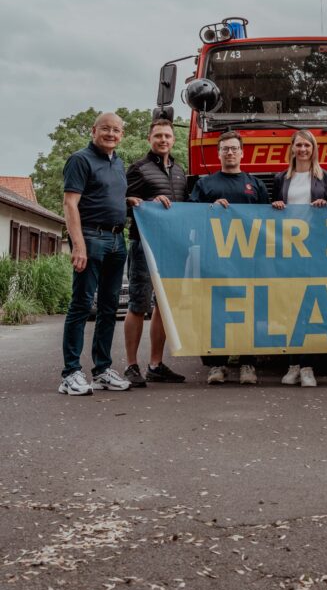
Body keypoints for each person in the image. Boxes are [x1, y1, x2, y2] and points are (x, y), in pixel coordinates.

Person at [59, 113, 132, 395]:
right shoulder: (80, 160)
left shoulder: (119, 163)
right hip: (90, 237)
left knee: (109, 308)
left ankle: (102, 370)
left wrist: (129, 201)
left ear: (121, 135)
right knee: (81, 305)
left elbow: (110, 196)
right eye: (106, 129)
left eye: (116, 130)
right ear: (93, 130)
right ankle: (70, 374)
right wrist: (78, 245)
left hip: (117, 240)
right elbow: (70, 204)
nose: (111, 134)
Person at [189, 131, 270, 385]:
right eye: (225, 149)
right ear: (219, 153)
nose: (230, 152)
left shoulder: (255, 184)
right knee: (216, 309)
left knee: (250, 308)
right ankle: (217, 364)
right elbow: (190, 217)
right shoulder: (205, 184)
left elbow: (267, 220)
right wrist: (209, 208)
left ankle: (248, 363)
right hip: (215, 256)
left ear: (242, 153)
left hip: (249, 257)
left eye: (234, 148)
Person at [123, 119, 188, 387]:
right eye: (158, 135)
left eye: (167, 136)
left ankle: (155, 365)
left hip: (171, 246)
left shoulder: (180, 171)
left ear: (174, 140)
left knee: (164, 305)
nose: (163, 140)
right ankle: (131, 365)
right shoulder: (138, 168)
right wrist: (147, 203)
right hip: (144, 244)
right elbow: (123, 204)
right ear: (149, 139)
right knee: (138, 304)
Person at [273, 129, 327, 387]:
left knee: (310, 306)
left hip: (315, 250)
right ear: (292, 148)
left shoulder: (325, 177)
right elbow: (271, 212)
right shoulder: (281, 178)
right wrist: (276, 206)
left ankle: (308, 367)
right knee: (290, 306)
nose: (302, 150)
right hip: (288, 251)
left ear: (313, 149)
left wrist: (325, 207)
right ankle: (292, 365)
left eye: (307, 146)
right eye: (298, 145)